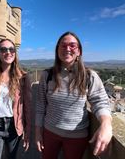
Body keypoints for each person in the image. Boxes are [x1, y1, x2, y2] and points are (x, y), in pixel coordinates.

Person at [35, 31, 112, 159]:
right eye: (63, 45)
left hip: (77, 136)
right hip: (50, 133)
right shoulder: (47, 75)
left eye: (72, 45)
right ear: (57, 49)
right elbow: (40, 105)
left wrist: (106, 124)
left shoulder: (89, 76)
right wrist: (38, 133)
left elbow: (100, 102)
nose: (67, 49)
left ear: (79, 51)